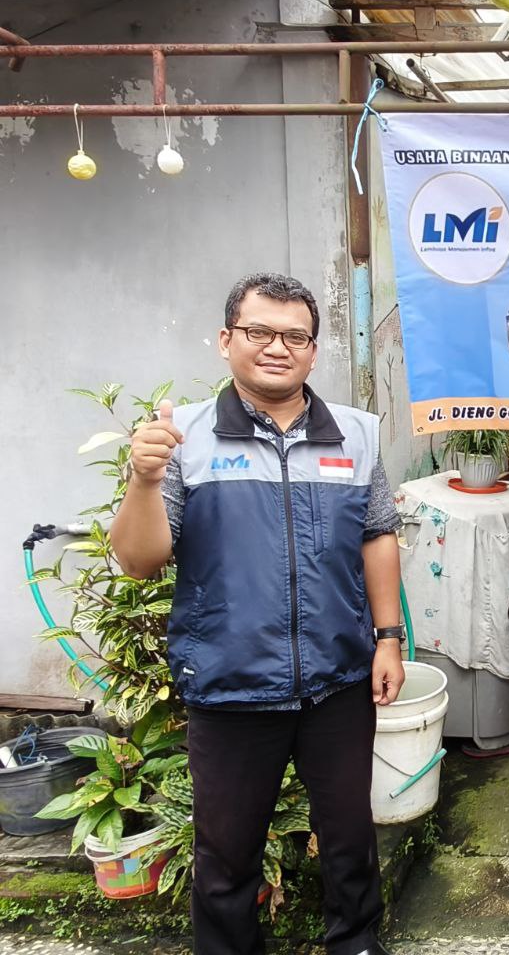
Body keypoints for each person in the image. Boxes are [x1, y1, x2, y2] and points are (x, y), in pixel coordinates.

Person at [111, 273, 406, 955]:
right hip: (231, 683)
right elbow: (141, 560)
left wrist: (387, 638)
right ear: (227, 341)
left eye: (295, 336)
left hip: (337, 680)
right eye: (259, 332)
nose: (278, 347)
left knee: (350, 839)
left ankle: (356, 943)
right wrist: (144, 480)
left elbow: (378, 532)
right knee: (226, 855)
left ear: (313, 349)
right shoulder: (180, 436)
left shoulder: (355, 434)